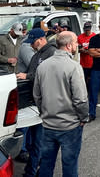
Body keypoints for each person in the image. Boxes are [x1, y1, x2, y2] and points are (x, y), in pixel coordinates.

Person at [33, 31, 89, 177]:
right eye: (76, 42)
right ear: (69, 45)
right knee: (69, 164)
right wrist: (83, 118)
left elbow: (37, 96)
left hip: (48, 124)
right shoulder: (74, 67)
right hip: (69, 126)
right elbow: (80, 99)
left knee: (46, 163)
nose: (78, 45)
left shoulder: (43, 66)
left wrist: (44, 112)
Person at [17, 28, 57, 176]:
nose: (32, 46)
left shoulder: (52, 52)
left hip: (45, 104)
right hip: (34, 103)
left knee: (40, 142)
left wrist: (27, 75)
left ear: (40, 39)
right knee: (34, 142)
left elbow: (47, 75)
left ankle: (36, 172)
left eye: (33, 42)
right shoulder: (37, 54)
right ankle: (31, 171)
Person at [77, 21, 95, 91]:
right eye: (86, 30)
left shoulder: (94, 36)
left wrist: (85, 51)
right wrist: (83, 50)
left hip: (92, 63)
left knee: (91, 80)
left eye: (88, 30)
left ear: (91, 29)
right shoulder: (80, 37)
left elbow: (95, 50)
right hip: (83, 63)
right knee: (83, 80)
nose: (87, 31)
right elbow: (78, 49)